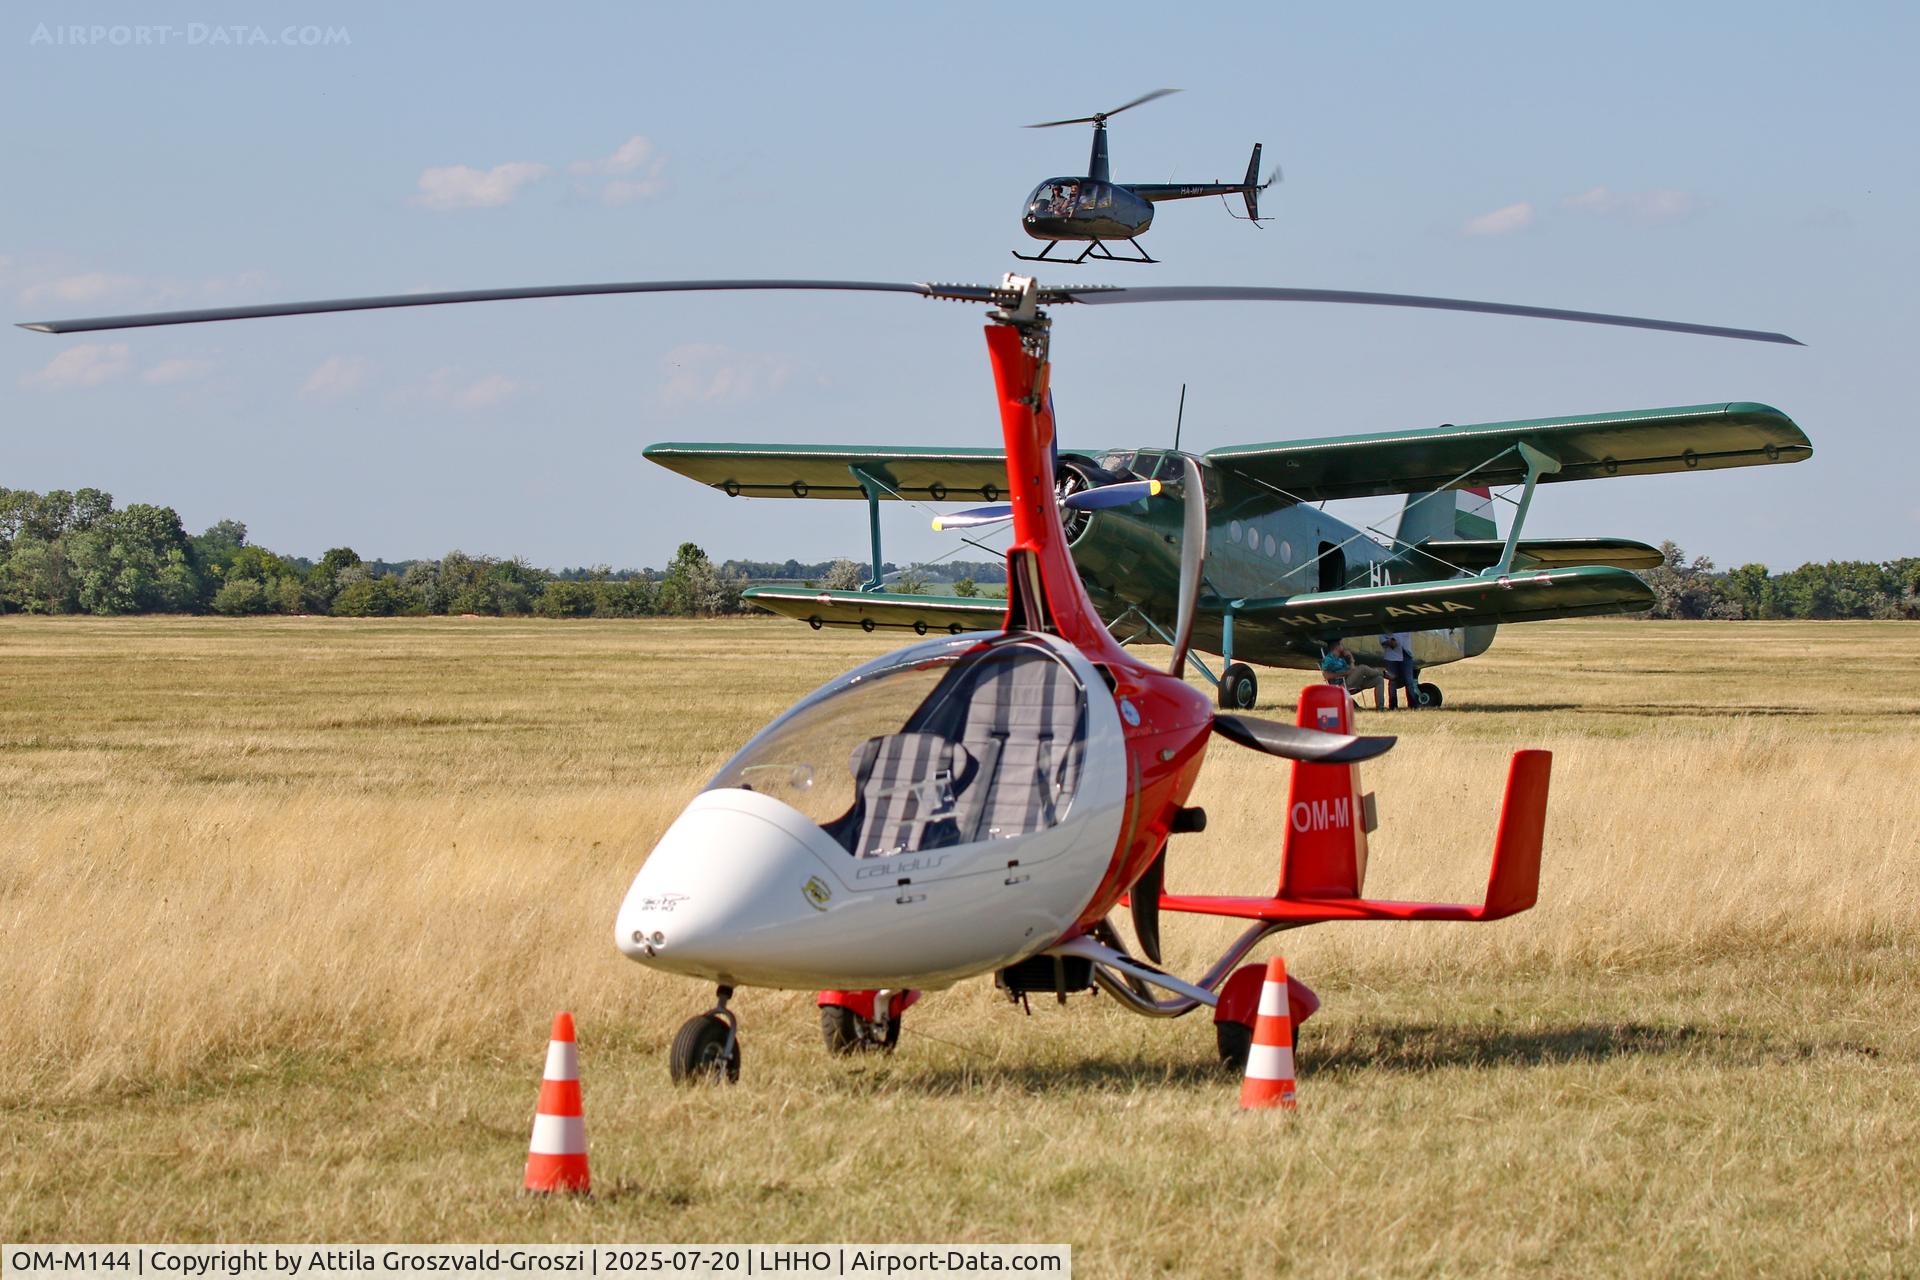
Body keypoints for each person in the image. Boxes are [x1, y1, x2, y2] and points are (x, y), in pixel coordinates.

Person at [1319, 639, 1385, 709]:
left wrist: (1351, 658)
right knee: (1362, 668)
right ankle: (1382, 673)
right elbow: (1326, 675)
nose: (1343, 646)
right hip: (1341, 685)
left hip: (1351, 681)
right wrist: (1345, 673)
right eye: (1341, 645)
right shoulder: (1328, 659)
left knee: (1379, 680)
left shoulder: (1341, 659)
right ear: (1337, 647)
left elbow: (1352, 670)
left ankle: (1380, 707)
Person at [1378, 630, 1420, 709]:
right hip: (1391, 655)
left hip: (1406, 654)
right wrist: (1388, 642)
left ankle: (1413, 704)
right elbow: (1381, 638)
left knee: (1409, 680)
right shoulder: (1387, 624)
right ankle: (1393, 705)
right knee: (1393, 681)